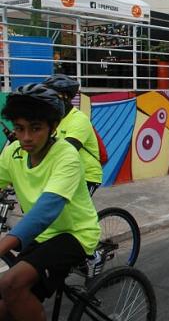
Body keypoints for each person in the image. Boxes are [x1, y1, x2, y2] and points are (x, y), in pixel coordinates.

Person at [0, 84, 100, 320]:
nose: (26, 137)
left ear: (52, 127)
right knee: (6, 303)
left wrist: (3, 245)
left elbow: (46, 210)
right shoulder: (13, 153)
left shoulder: (66, 155)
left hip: (74, 234)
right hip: (41, 236)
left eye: (35, 128)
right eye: (19, 128)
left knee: (10, 283)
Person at [43, 74, 103, 195]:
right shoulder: (53, 119)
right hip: (63, 173)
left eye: (52, 96)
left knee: (65, 206)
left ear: (65, 97)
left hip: (86, 175)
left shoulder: (79, 119)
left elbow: (67, 150)